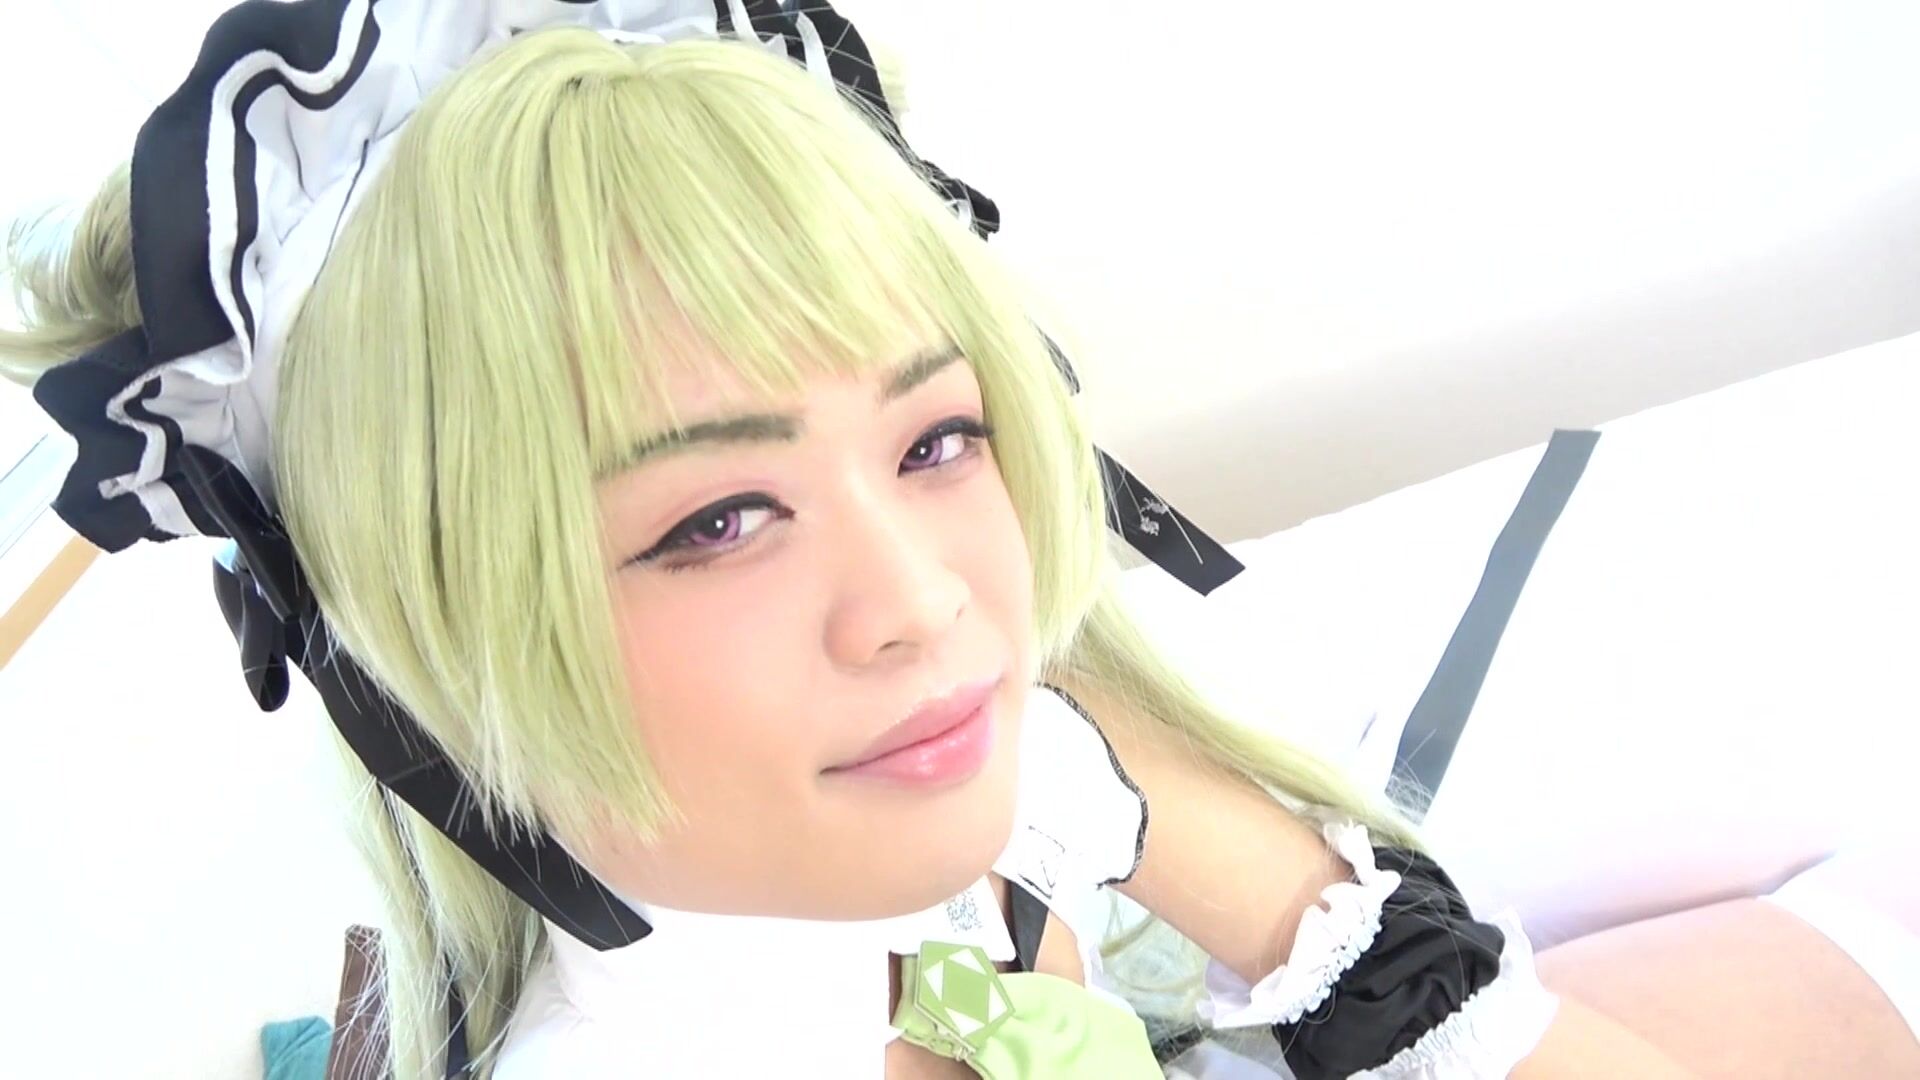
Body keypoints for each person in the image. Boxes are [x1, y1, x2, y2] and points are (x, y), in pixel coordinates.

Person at [2, 3, 1913, 1077]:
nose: (926, 604)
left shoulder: (980, 780)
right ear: (433, 645)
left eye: (935, 438)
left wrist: (1251, 881)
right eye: (717, 517)